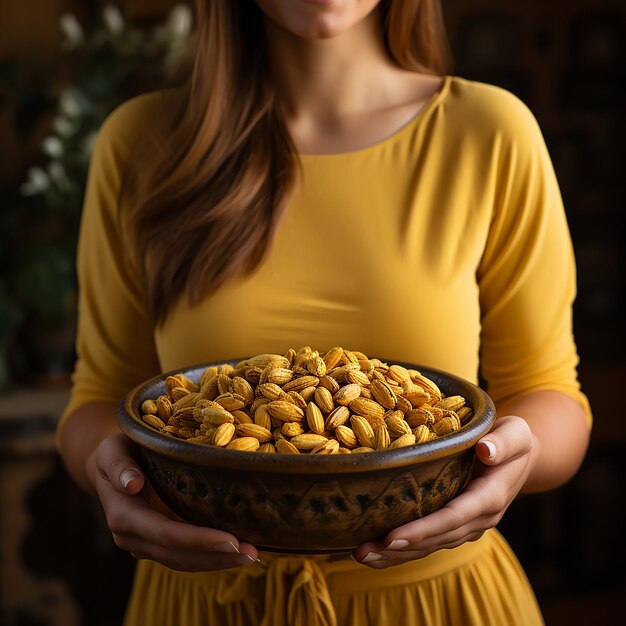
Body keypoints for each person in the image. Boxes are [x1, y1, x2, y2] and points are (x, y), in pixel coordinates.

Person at [56, 1, 593, 624]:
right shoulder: (141, 143)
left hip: (436, 603)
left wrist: (505, 464)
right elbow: (96, 400)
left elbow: (551, 395)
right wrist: (117, 479)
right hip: (204, 604)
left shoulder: (490, 131)